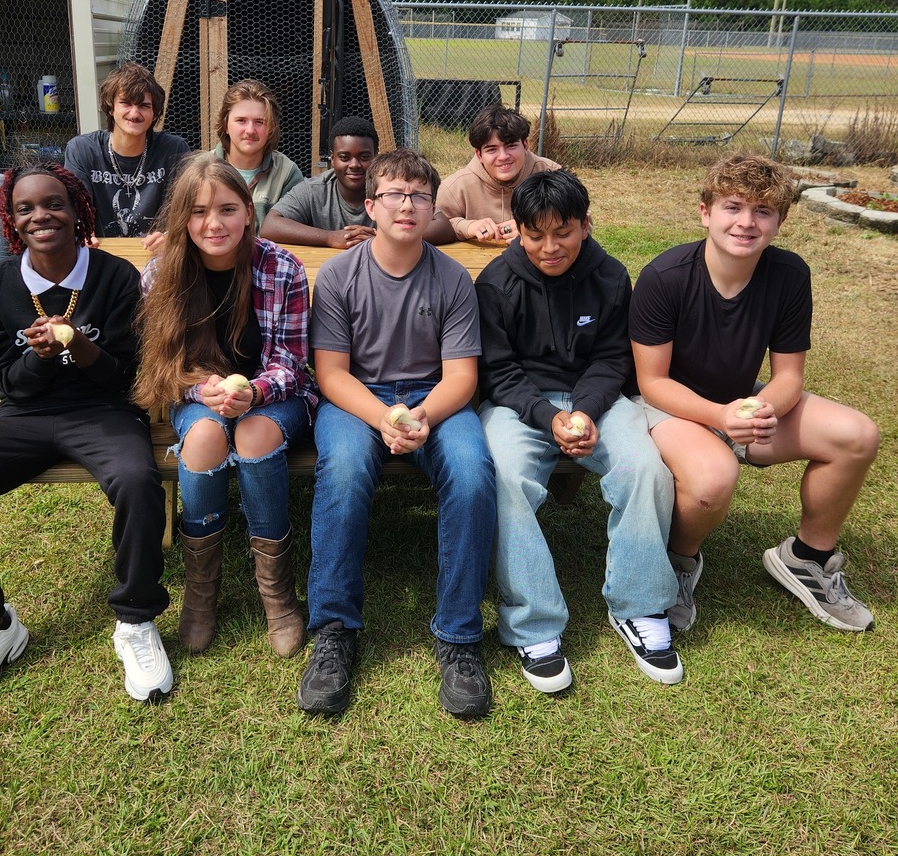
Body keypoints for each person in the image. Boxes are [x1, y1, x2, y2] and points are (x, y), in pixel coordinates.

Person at [0, 162, 172, 712]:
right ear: (11, 218)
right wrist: (41, 359)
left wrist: (77, 346)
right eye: (25, 208)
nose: (41, 216)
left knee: (136, 478)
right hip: (24, 417)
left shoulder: (114, 277)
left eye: (54, 203)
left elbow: (129, 377)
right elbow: (4, 379)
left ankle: (136, 619)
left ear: (78, 211)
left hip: (105, 411)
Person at [629, 153, 879, 633]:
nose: (746, 222)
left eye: (762, 211)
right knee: (712, 481)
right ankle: (679, 564)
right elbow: (651, 382)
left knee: (857, 435)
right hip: (668, 405)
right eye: (733, 207)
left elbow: (789, 376)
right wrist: (722, 418)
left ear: (780, 222)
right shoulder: (665, 276)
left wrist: (762, 409)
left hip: (742, 401)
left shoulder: (788, 275)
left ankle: (807, 558)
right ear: (706, 212)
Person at [297, 149, 497, 719]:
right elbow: (331, 373)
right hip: (359, 396)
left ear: (433, 208)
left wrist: (424, 417)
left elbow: (462, 374)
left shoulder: (453, 278)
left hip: (436, 396)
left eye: (419, 196)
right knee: (341, 470)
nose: (406, 205)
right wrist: (382, 417)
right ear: (371, 205)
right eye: (394, 195)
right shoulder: (339, 275)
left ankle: (459, 636)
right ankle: (334, 629)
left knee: (472, 472)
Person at [476, 169, 682, 691]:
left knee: (645, 469)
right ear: (517, 230)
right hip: (519, 404)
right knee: (503, 477)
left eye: (562, 232)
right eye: (535, 234)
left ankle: (639, 606)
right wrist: (548, 417)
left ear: (585, 225)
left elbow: (615, 357)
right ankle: (533, 623)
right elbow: (497, 371)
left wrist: (586, 410)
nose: (550, 247)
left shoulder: (611, 276)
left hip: (601, 400)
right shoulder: (497, 283)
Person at [134, 153, 316, 658]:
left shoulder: (281, 267)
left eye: (227, 209)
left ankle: (275, 592)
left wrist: (253, 392)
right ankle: (200, 592)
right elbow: (164, 365)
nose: (213, 224)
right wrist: (203, 392)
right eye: (197, 212)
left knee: (254, 432)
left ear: (248, 214)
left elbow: (295, 361)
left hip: (276, 397)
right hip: (198, 396)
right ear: (181, 219)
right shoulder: (160, 275)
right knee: (207, 435)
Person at [261, 117, 456, 247]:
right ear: (332, 158)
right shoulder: (315, 190)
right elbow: (270, 226)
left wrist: (385, 237)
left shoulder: (391, 188)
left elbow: (443, 227)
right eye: (344, 157)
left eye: (364, 157)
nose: (354, 165)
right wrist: (330, 237)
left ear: (376, 156)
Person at [65, 62, 189, 247]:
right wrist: (82, 232)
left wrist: (170, 235)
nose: (134, 113)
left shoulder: (174, 149)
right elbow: (75, 205)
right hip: (101, 253)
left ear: (155, 113)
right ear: (110, 108)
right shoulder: (82, 149)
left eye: (144, 106)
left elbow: (185, 205)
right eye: (126, 103)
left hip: (156, 255)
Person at [436, 104, 561, 244]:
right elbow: (429, 226)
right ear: (479, 154)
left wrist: (532, 229)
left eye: (511, 146)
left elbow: (582, 225)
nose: (503, 156)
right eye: (491, 149)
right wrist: (468, 226)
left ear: (525, 145)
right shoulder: (455, 187)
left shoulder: (552, 173)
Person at [211, 79, 302, 233]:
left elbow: (294, 234)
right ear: (226, 125)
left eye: (259, 122)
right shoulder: (200, 169)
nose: (250, 130)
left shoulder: (287, 173)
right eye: (241, 121)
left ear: (271, 128)